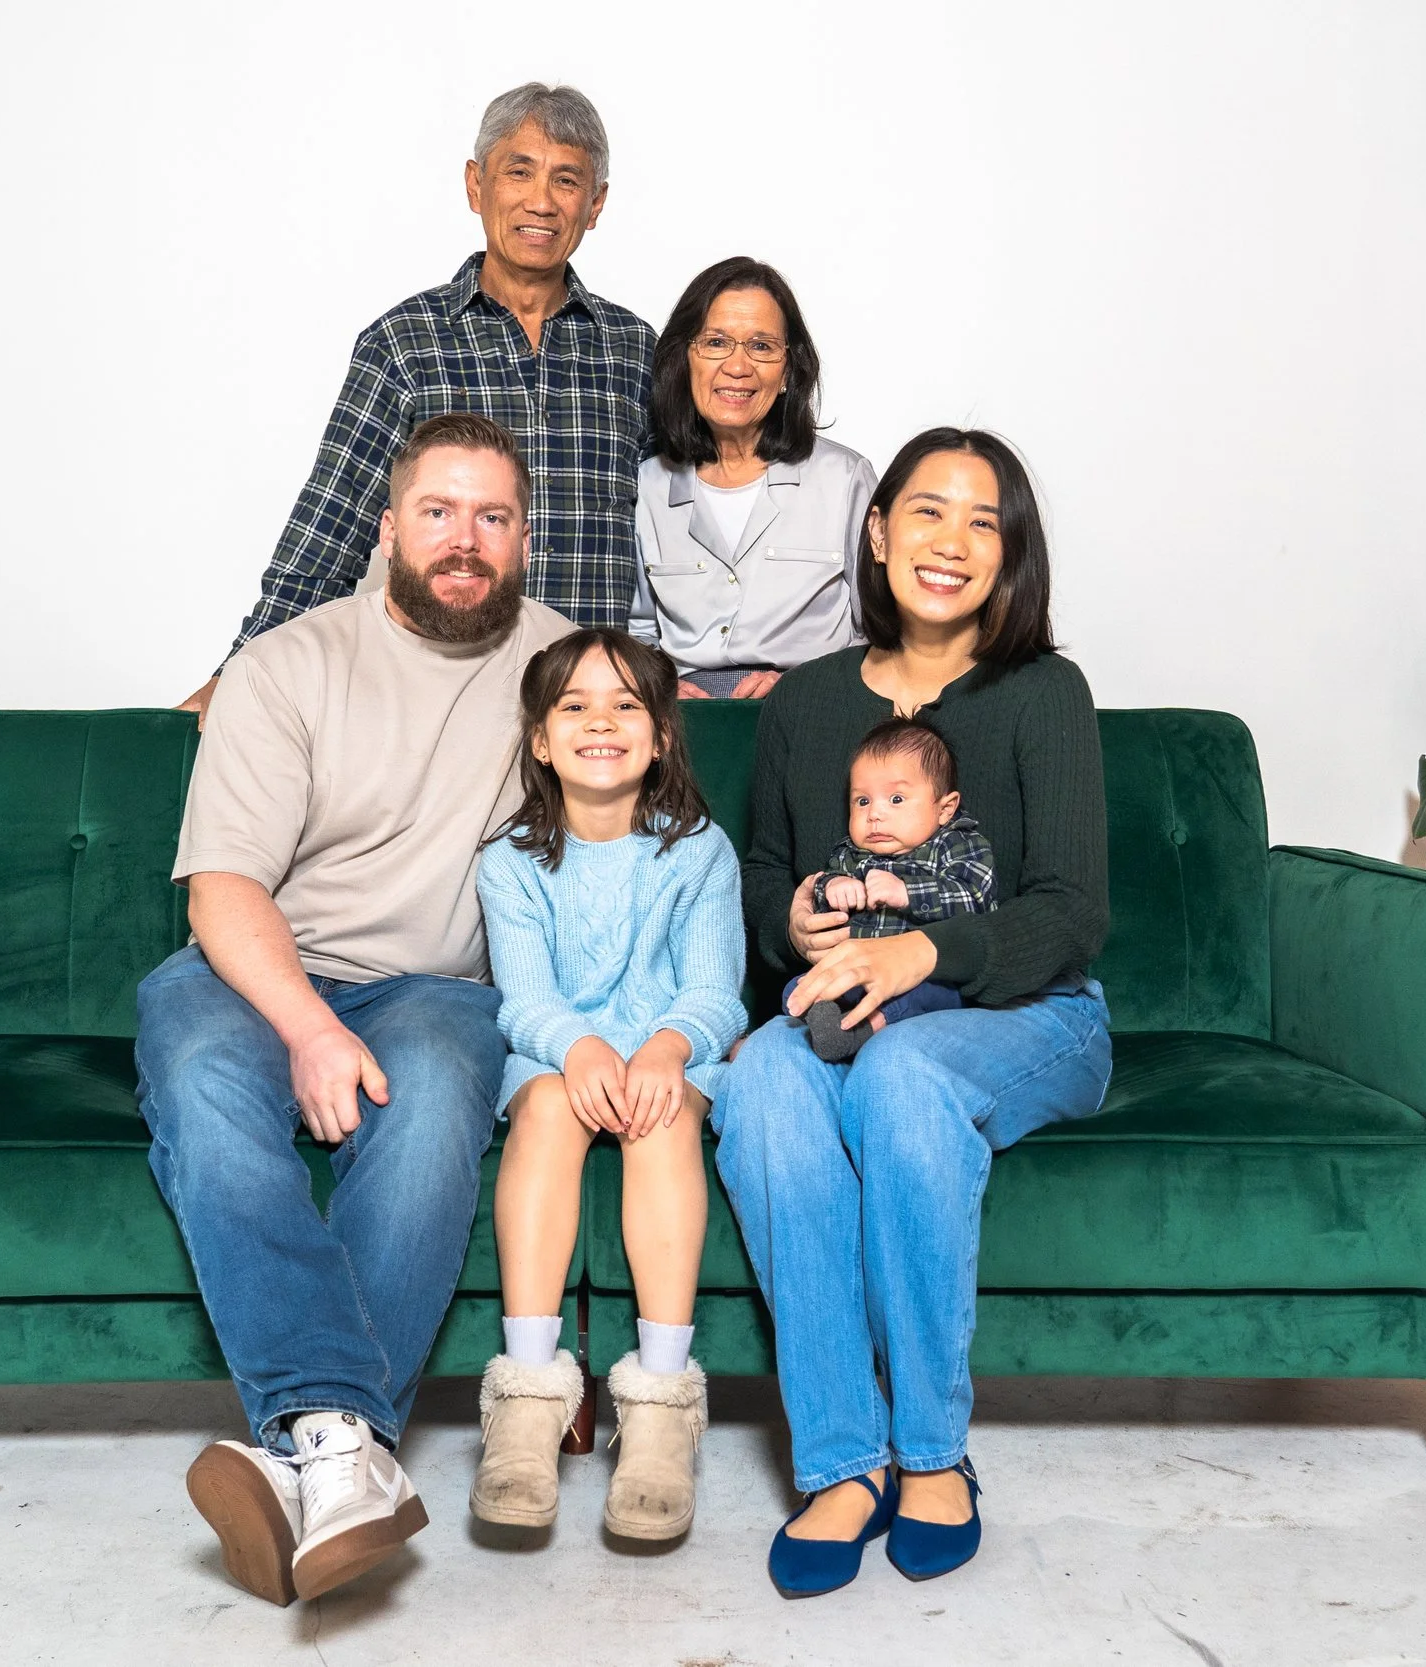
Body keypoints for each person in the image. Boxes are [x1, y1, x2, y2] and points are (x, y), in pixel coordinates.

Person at [138, 413, 573, 1608]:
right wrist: (310, 1027)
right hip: (257, 969)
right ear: (386, 528)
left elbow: (637, 821)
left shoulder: (563, 672)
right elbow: (222, 889)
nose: (463, 539)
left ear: (523, 538)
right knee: (204, 1087)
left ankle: (308, 1452)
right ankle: (349, 1446)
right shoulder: (287, 665)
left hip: (440, 990)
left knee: (430, 1108)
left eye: (492, 516)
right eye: (437, 511)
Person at [711, 427, 1113, 1599]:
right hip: (845, 1000)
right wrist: (794, 920)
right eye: (928, 511)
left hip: (1028, 1010)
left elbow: (1072, 911)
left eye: (984, 522)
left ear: (1009, 554)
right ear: (880, 532)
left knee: (904, 1074)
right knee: (763, 1078)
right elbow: (763, 872)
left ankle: (933, 1450)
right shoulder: (806, 704)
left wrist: (923, 949)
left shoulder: (1043, 693)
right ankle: (844, 1459)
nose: (952, 540)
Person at [182, 83, 654, 723]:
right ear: (475, 185)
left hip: (595, 714)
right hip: (443, 707)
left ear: (595, 204)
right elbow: (329, 527)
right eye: (518, 172)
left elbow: (688, 524)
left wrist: (725, 665)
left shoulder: (635, 351)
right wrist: (240, 671)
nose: (541, 201)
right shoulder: (403, 344)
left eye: (566, 180)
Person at [467, 628, 745, 1542]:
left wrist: (666, 1048)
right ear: (541, 741)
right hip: (559, 1055)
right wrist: (579, 1047)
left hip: (670, 1053)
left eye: (626, 705)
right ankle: (527, 1396)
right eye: (575, 706)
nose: (601, 722)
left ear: (661, 736)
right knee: (548, 1105)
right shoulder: (510, 861)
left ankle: (661, 1404)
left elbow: (715, 991)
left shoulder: (699, 851)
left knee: (660, 1119)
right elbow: (525, 999)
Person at [628, 256, 874, 701]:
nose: (738, 367)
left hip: (811, 706)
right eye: (716, 342)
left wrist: (806, 687)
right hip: (687, 717)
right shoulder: (650, 484)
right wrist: (662, 686)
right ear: (685, 360)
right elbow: (641, 630)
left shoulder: (844, 479)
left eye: (761, 346)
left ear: (788, 371)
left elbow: (878, 630)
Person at [791, 717, 996, 1062]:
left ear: (945, 808)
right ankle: (824, 1017)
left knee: (936, 994)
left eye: (896, 799)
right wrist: (833, 886)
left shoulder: (958, 845)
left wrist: (908, 892)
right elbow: (821, 890)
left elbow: (976, 899)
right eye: (862, 801)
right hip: (856, 973)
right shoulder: (851, 854)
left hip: (926, 978)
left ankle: (868, 1027)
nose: (875, 814)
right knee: (798, 985)